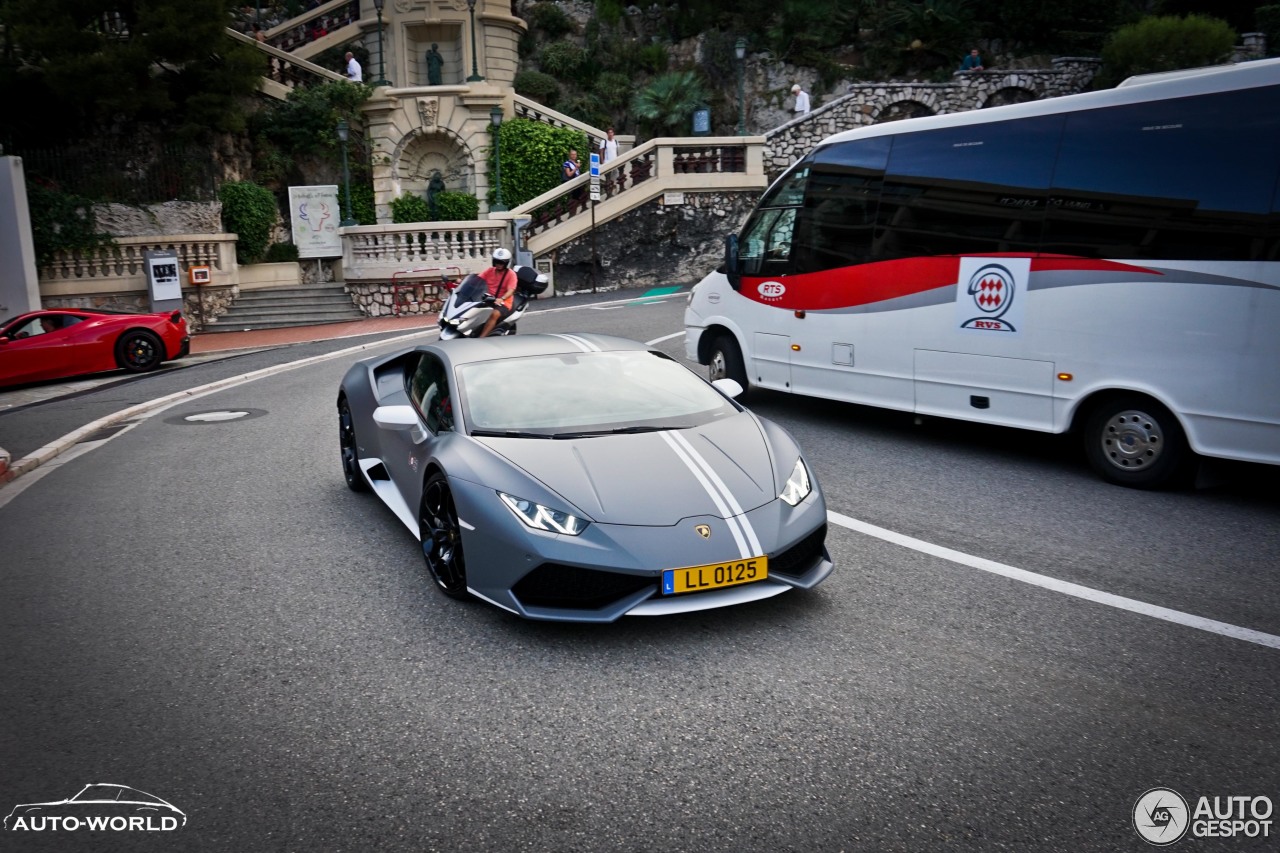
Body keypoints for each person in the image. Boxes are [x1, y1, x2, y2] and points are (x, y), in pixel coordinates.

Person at [477, 248, 517, 338]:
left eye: (501, 263)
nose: (498, 264)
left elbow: (511, 290)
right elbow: (478, 279)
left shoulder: (511, 274)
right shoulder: (490, 271)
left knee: (494, 314)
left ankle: (481, 338)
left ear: (506, 263)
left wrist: (501, 298)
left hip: (504, 301)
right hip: (489, 298)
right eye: (496, 262)